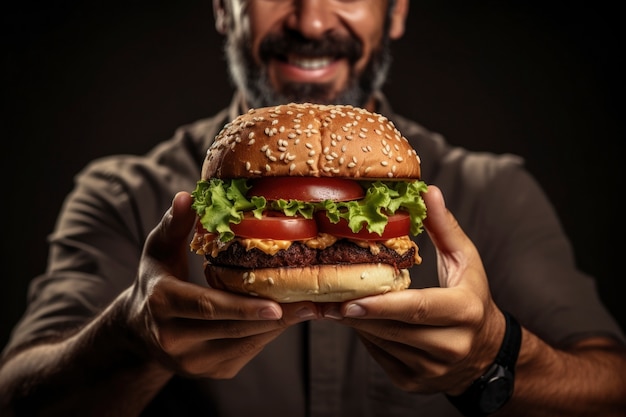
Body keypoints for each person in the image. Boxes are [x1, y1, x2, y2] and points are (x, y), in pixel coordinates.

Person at [1, 0, 625, 415]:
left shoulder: (492, 189)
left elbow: (613, 387)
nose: (312, 19)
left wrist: (496, 355)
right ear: (224, 8)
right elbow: (14, 395)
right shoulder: (121, 193)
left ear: (396, 10)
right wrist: (129, 339)